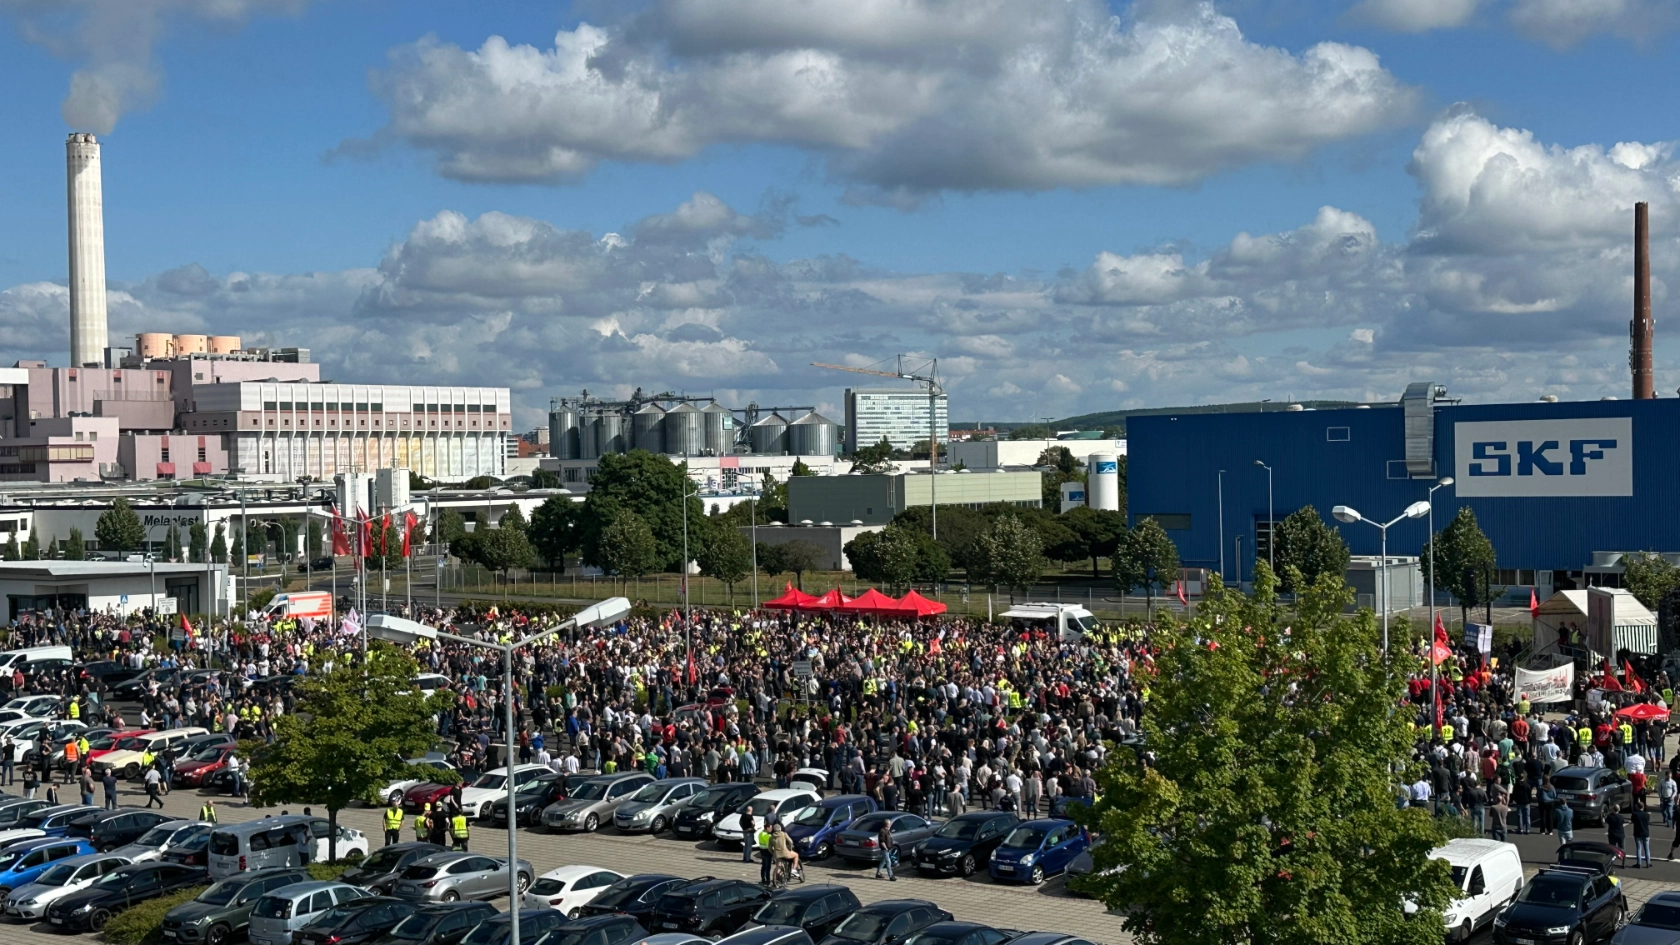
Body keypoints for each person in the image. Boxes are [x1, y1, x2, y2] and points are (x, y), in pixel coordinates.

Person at [874, 816, 896, 881]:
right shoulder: (882, 831)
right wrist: (886, 848)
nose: (891, 824)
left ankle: (878, 873)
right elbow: (882, 841)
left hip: (888, 848)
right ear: (887, 824)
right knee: (888, 862)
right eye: (889, 823)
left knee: (883, 861)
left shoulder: (887, 830)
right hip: (885, 849)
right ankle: (891, 876)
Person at [1632, 798, 1652, 868]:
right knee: (1647, 848)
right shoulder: (1647, 815)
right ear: (1643, 807)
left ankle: (1639, 863)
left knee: (1639, 848)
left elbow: (1632, 821)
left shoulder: (1635, 814)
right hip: (1645, 832)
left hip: (1637, 833)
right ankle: (1648, 862)